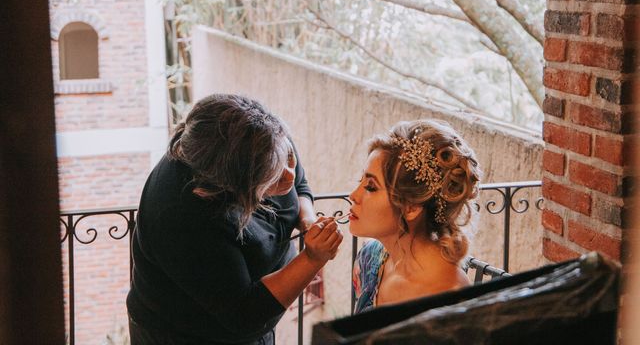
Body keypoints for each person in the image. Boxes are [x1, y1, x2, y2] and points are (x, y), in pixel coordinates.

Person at [126, 94, 343, 344]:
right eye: (271, 177)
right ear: (232, 183)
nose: (289, 175)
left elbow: (300, 183)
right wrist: (312, 258)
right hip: (187, 334)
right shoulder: (184, 217)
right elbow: (243, 314)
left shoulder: (265, 140)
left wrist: (307, 220)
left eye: (289, 158)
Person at [349, 119, 481, 313]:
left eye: (370, 187)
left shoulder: (448, 295)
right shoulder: (370, 256)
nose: (353, 195)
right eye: (361, 181)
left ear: (411, 207)